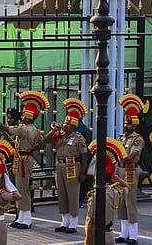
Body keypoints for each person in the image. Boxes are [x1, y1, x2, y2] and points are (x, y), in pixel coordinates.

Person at [0, 90, 50, 229]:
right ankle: (21, 217)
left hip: (23, 159)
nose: (22, 117)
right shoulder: (36, 130)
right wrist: (30, 148)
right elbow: (42, 143)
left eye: (24, 115)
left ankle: (26, 219)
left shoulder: (24, 129)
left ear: (28, 116)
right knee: (21, 187)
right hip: (26, 157)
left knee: (22, 189)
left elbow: (5, 128)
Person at [41, 98, 88, 234]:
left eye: (68, 124)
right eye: (65, 123)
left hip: (72, 165)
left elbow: (84, 155)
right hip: (60, 165)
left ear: (73, 126)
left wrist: (83, 172)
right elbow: (46, 140)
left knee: (72, 195)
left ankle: (73, 223)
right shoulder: (60, 136)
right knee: (62, 194)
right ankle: (64, 221)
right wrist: (54, 129)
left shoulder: (79, 138)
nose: (65, 126)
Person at [115, 94, 148, 244]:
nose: (126, 125)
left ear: (134, 124)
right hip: (120, 169)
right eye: (125, 122)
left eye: (128, 123)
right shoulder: (121, 137)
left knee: (130, 201)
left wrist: (118, 155)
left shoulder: (138, 139)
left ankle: (133, 234)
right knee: (121, 202)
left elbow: (131, 155)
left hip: (130, 170)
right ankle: (123, 233)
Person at [85, 138, 129, 245]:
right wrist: (117, 179)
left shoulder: (95, 195)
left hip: (97, 235)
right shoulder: (115, 192)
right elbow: (127, 187)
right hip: (109, 235)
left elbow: (91, 222)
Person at [77, 120, 92, 208]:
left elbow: (88, 147)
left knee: (82, 179)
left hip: (81, 158)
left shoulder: (84, 129)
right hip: (70, 159)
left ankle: (80, 199)